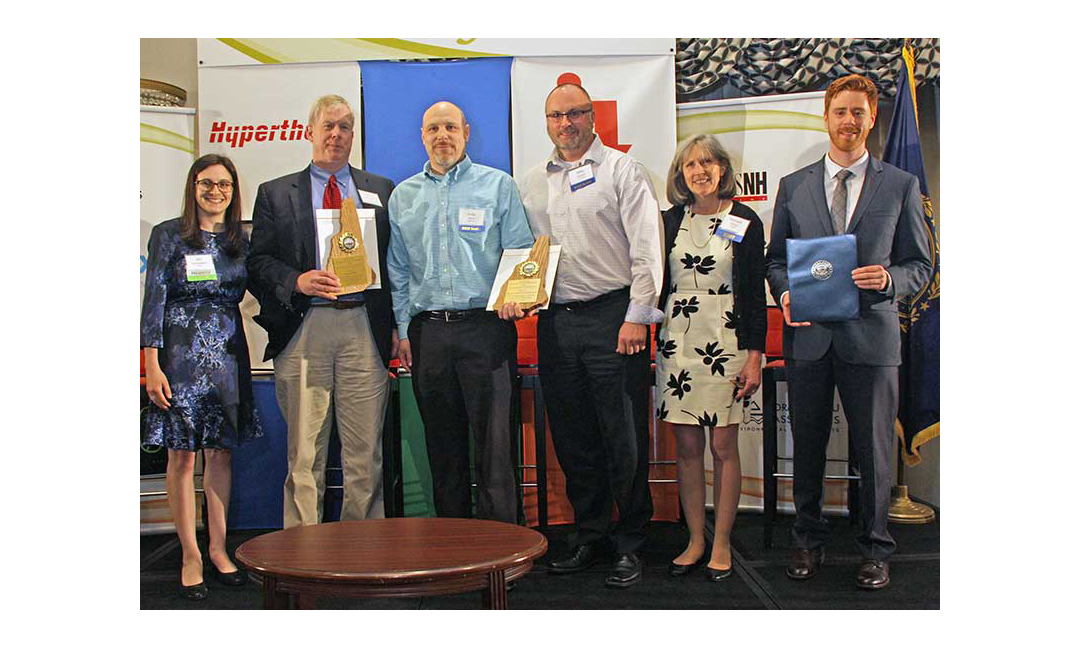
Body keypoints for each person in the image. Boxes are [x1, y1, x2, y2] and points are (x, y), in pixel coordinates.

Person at [764, 74, 932, 590]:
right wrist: (785, 293)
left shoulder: (900, 185)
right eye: (840, 112)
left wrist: (889, 278)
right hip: (810, 339)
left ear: (871, 118)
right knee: (808, 444)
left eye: (858, 112)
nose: (849, 121)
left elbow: (921, 266)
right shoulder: (794, 186)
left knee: (876, 450)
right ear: (826, 115)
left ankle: (877, 548)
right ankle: (807, 540)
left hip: (872, 339)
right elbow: (775, 263)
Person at [507, 82, 664, 589]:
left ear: (592, 117)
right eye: (556, 116)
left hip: (614, 318)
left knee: (624, 437)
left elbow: (647, 248)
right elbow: (526, 253)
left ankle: (632, 541)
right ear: (546, 121)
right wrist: (517, 292)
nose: (565, 124)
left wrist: (638, 316)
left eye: (575, 114)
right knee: (573, 438)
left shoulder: (623, 170)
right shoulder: (531, 182)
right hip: (557, 323)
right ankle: (591, 534)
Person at [247, 94, 397, 528]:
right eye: (328, 126)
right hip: (304, 328)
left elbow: (395, 264)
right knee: (304, 454)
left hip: (363, 328)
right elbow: (258, 263)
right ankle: (302, 555)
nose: (336, 134)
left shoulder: (381, 190)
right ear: (310, 131)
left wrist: (397, 327)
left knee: (364, 454)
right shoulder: (275, 193)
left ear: (354, 135)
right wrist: (297, 280)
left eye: (345, 126)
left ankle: (362, 556)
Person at [387, 101, 534, 523]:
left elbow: (520, 251)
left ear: (466, 132)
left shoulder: (497, 186)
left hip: (486, 331)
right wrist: (401, 331)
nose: (442, 136)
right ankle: (453, 551)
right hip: (428, 335)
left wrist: (517, 294)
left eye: (450, 127)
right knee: (443, 450)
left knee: (495, 452)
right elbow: (397, 269)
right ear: (422, 136)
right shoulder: (404, 196)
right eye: (433, 128)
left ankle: (503, 551)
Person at [141, 154, 263, 600]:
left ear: (234, 191)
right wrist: (151, 364)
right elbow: (153, 299)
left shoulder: (240, 240)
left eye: (225, 185)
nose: (216, 192)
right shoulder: (168, 234)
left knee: (221, 456)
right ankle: (190, 555)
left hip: (228, 356)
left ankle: (217, 549)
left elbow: (261, 288)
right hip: (178, 355)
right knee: (182, 458)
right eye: (207, 183)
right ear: (193, 187)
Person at [655, 134, 766, 581]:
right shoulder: (667, 221)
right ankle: (694, 540)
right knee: (685, 447)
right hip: (676, 341)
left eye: (707, 162)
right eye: (689, 165)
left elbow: (755, 295)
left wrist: (754, 356)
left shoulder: (744, 219)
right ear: (681, 175)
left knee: (722, 446)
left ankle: (721, 543)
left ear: (722, 168)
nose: (699, 171)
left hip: (726, 341)